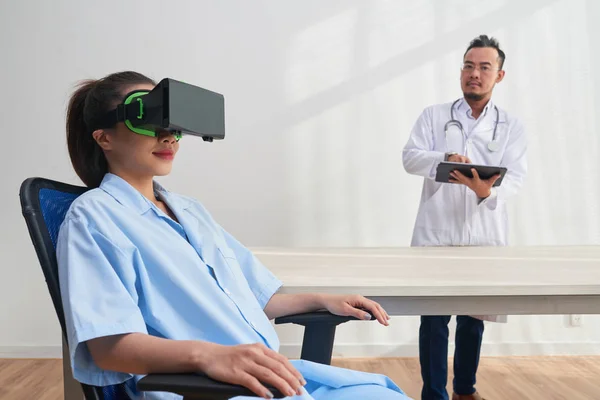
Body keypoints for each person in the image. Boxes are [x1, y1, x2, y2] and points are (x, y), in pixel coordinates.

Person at [57, 71, 411, 400]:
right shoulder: (94, 217)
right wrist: (209, 357)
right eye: (147, 119)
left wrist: (321, 299)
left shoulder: (189, 210)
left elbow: (249, 296)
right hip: (207, 388)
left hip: (277, 378)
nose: (167, 136)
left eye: (172, 124)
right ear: (103, 137)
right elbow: (107, 346)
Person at [402, 35, 527, 400]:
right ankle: (434, 394)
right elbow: (410, 157)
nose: (475, 74)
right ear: (461, 71)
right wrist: (444, 160)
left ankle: (465, 390)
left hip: (483, 234)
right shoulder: (434, 116)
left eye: (484, 67)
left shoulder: (511, 126)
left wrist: (486, 191)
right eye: (469, 66)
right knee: (434, 318)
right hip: (437, 233)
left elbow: (516, 179)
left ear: (499, 76)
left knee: (474, 318)